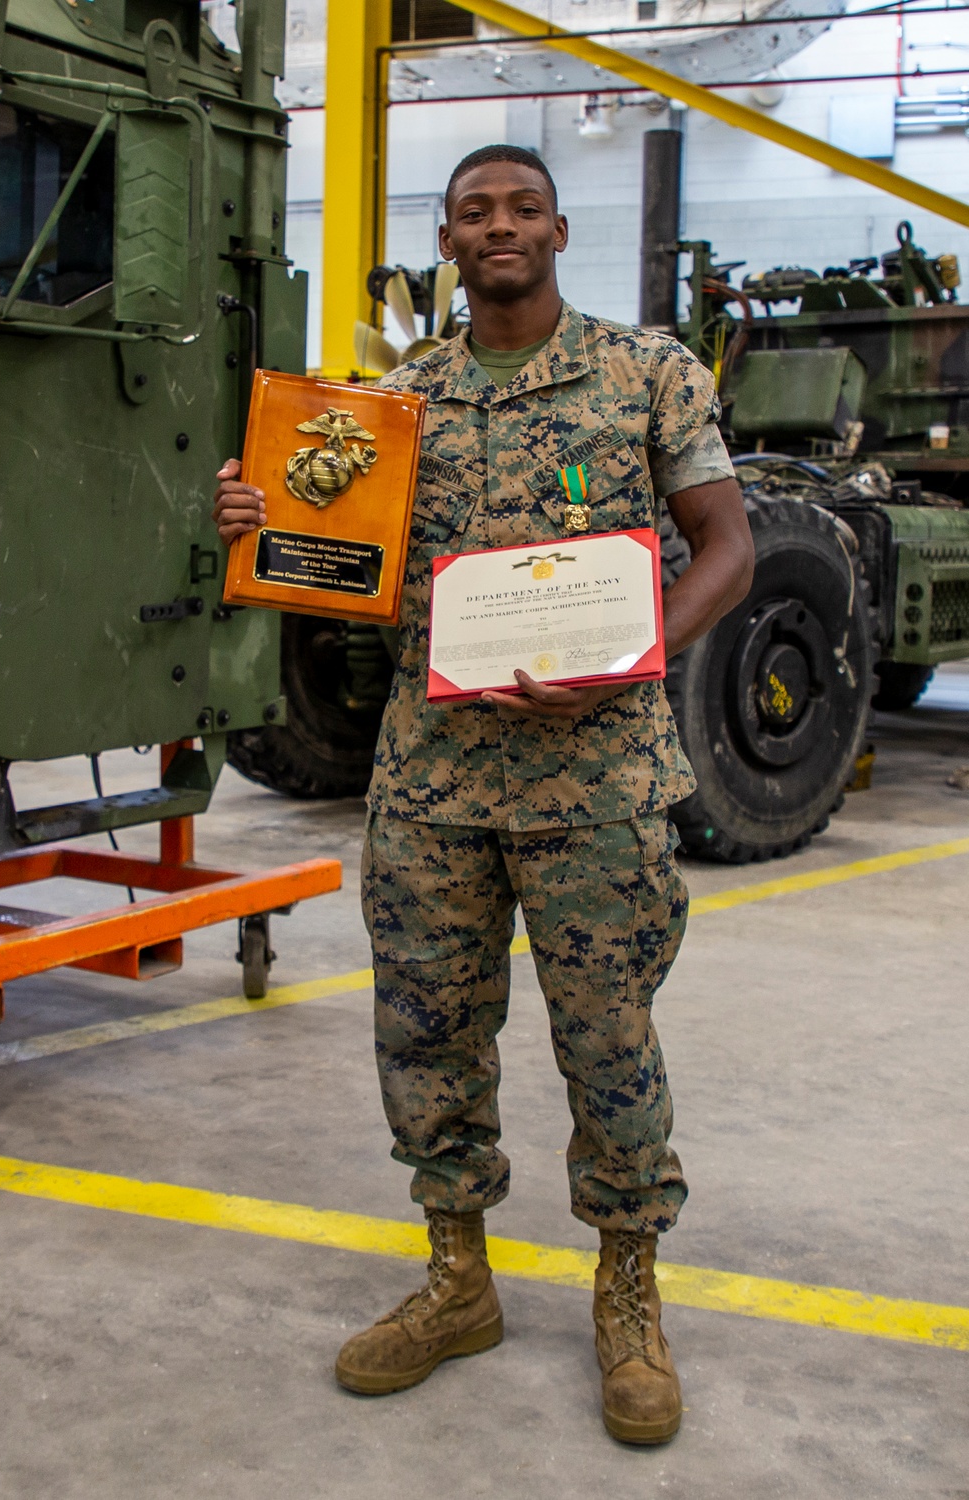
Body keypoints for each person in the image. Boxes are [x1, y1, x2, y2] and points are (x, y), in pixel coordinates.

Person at [213, 144, 754, 1446]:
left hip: (598, 782)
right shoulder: (389, 410)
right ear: (447, 242)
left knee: (608, 1041)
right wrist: (255, 515)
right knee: (427, 1036)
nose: (499, 226)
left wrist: (638, 652)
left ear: (558, 229)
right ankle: (459, 1276)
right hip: (434, 786)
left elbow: (728, 546)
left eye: (520, 207)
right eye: (474, 212)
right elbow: (333, 568)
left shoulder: (645, 373)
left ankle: (628, 1293)